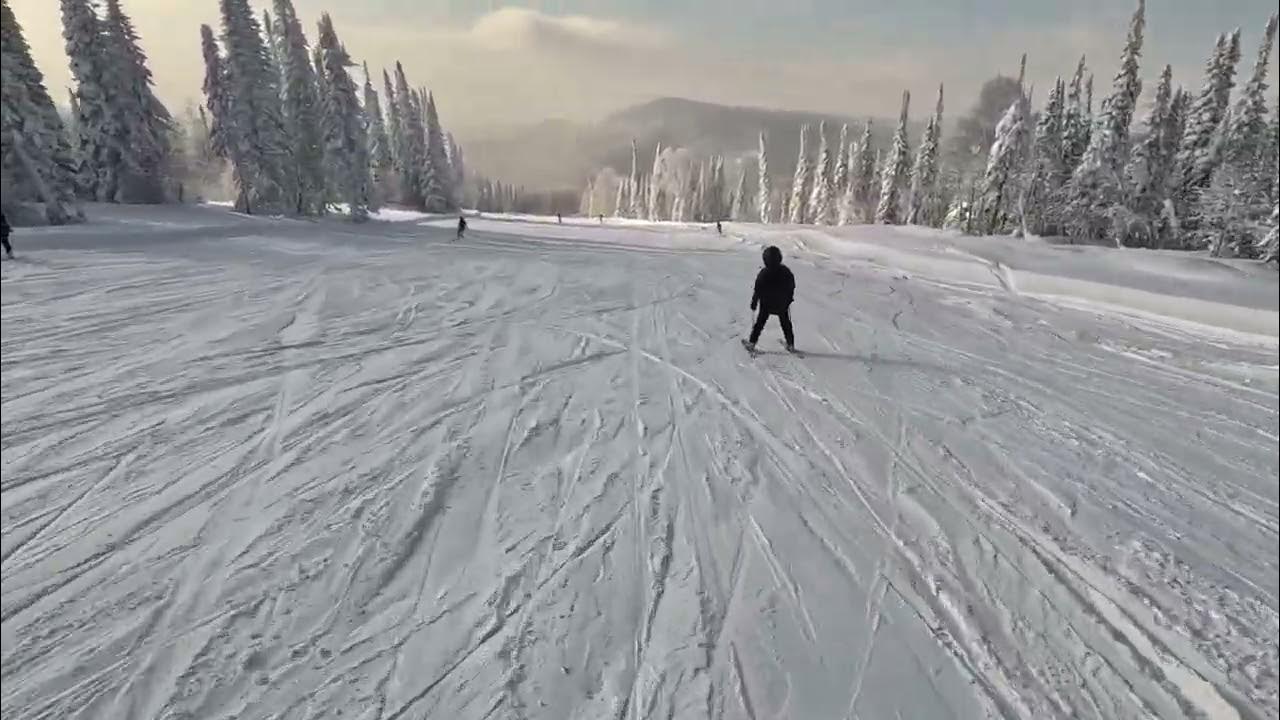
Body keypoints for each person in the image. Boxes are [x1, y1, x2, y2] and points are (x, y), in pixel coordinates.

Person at [745, 245, 796, 352]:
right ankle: (790, 344)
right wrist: (789, 299)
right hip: (782, 304)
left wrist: (754, 303)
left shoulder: (764, 273)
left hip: (766, 305)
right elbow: (791, 286)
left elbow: (758, 290)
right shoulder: (785, 271)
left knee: (759, 324)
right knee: (786, 324)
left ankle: (752, 343)